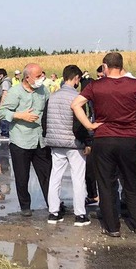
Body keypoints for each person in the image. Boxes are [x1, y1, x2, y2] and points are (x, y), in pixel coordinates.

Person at [72, 52, 136, 237]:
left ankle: (112, 227)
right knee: (132, 182)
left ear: (105, 66)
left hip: (104, 139)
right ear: (121, 65)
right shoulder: (135, 84)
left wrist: (89, 125)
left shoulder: (95, 86)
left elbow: (76, 104)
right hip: (129, 138)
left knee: (106, 184)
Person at [0, 63, 51, 217]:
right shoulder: (15, 92)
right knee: (22, 177)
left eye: (42, 75)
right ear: (27, 78)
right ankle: (25, 206)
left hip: (40, 140)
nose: (42, 78)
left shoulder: (43, 90)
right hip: (21, 141)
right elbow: (2, 112)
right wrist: (20, 115)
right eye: (38, 76)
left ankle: (53, 204)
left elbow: (49, 108)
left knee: (47, 175)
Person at [43, 65, 90, 226]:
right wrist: (87, 141)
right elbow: (79, 123)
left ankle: (53, 212)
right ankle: (80, 215)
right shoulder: (77, 97)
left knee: (55, 177)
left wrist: (47, 136)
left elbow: (44, 120)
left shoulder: (52, 97)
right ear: (76, 78)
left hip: (55, 143)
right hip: (73, 143)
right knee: (78, 178)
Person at [0, 68, 12, 140]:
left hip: (4, 103)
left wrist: (2, 104)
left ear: (2, 75)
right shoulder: (3, 81)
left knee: (3, 118)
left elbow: (5, 93)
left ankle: (5, 134)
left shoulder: (5, 82)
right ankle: (3, 133)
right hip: (4, 102)